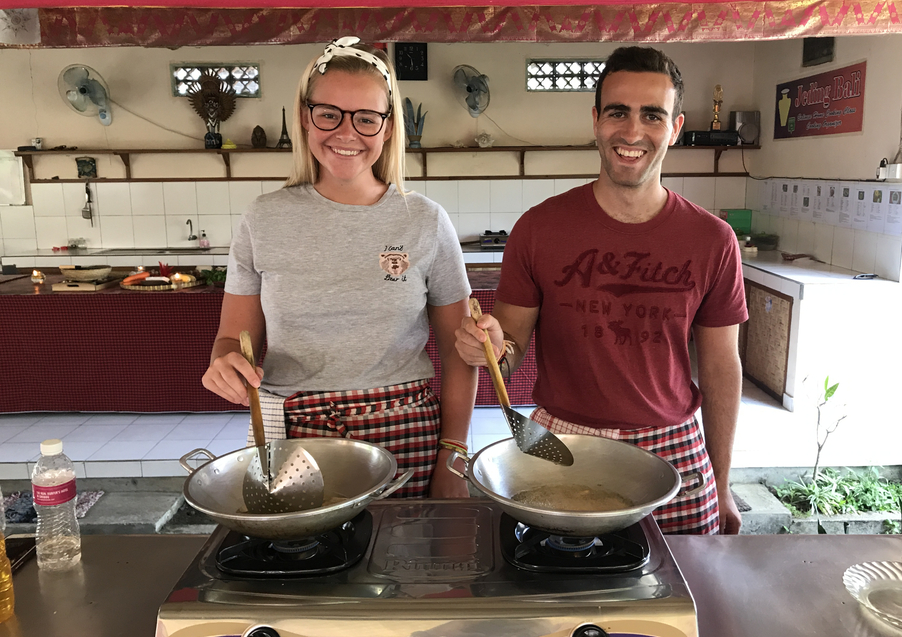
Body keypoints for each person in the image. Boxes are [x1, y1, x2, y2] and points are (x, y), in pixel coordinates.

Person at [455, 46, 748, 533]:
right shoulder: (539, 228)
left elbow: (720, 367)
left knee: (682, 600)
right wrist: (486, 347)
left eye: (652, 115)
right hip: (560, 443)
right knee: (557, 595)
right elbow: (511, 348)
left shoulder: (713, 240)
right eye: (618, 113)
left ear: (674, 128)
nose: (632, 133)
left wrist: (723, 482)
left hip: (673, 446)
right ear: (596, 120)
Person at [202, 36, 477, 499]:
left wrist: (454, 455)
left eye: (366, 119)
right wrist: (223, 363)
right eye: (329, 114)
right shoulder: (263, 218)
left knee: (408, 567)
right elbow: (232, 339)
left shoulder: (425, 220)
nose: (346, 134)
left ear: (388, 129)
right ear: (305, 117)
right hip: (295, 434)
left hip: (407, 430)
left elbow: (460, 352)